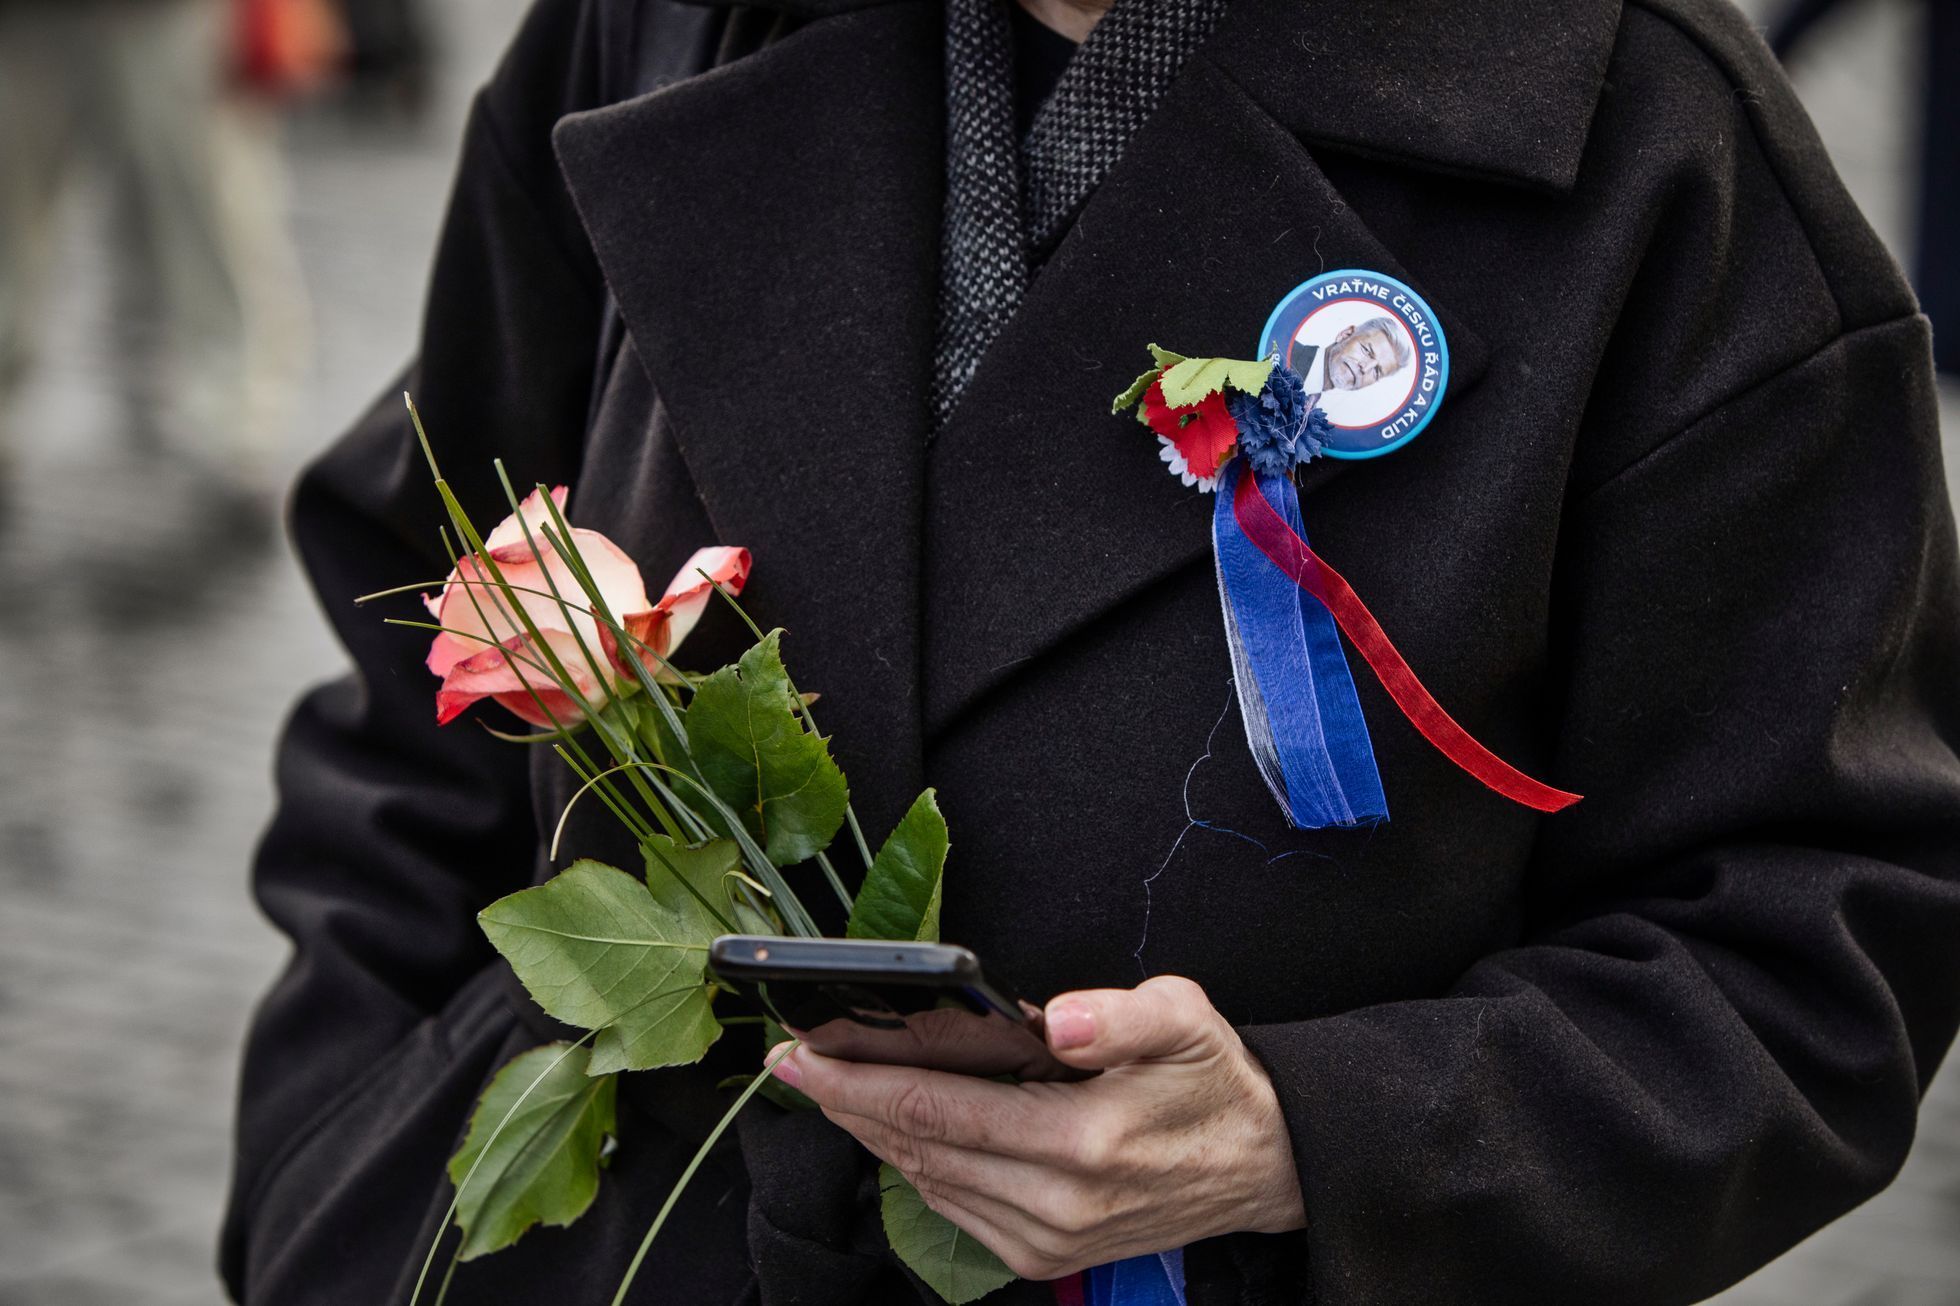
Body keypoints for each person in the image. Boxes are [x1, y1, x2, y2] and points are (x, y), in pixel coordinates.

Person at [221, 0, 1960, 1304]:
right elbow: (422, 636)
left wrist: (1317, 1134)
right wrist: (337, 1172)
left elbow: (1816, 932)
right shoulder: (663, 18)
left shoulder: (1657, 150)